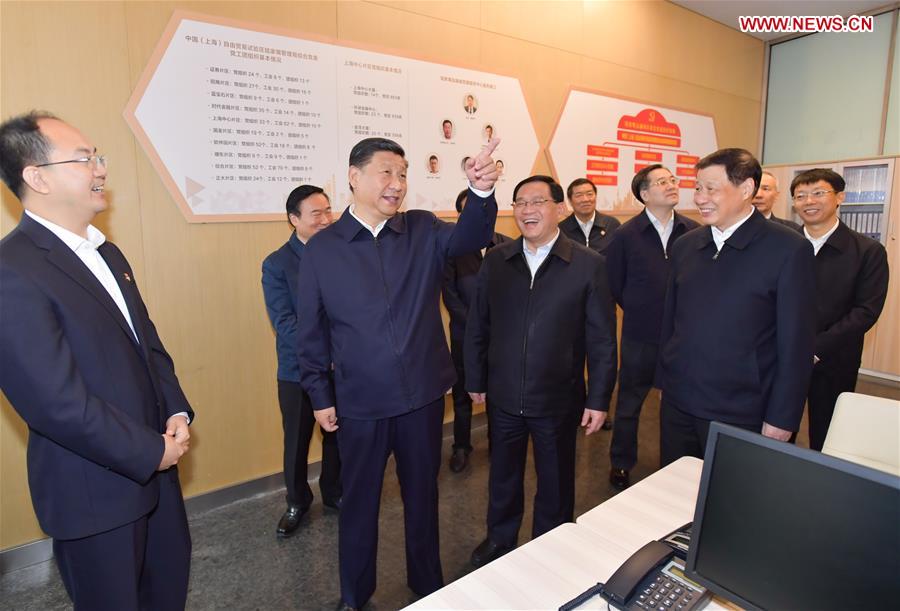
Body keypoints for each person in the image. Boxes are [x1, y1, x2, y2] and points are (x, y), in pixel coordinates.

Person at [0, 111, 193, 610]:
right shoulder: (12, 271)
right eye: (85, 159)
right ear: (36, 177)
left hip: (159, 477)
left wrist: (175, 411)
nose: (101, 169)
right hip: (94, 495)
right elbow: (55, 404)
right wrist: (151, 452)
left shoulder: (109, 253)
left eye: (98, 157)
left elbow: (146, 344)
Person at [296, 137, 499, 610]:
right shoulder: (323, 248)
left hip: (423, 398)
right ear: (354, 177)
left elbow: (471, 237)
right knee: (359, 504)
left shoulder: (422, 230)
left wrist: (481, 192)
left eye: (403, 174)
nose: (397, 184)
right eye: (386, 172)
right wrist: (319, 394)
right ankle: (354, 594)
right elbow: (311, 330)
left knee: (422, 497)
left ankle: (427, 581)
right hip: (360, 402)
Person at [465, 175, 617, 568]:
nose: (527, 211)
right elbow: (477, 323)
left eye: (538, 202)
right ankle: (500, 538)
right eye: (520, 203)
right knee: (502, 475)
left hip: (558, 396)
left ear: (559, 208)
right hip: (503, 392)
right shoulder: (497, 260)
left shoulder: (587, 265)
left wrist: (599, 398)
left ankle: (550, 544)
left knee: (556, 479)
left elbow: (602, 339)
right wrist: (475, 378)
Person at [657, 148, 815, 466]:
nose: (700, 198)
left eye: (711, 188)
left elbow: (796, 342)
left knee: (733, 506)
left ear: (745, 189)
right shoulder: (686, 245)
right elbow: (670, 322)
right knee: (673, 500)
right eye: (697, 187)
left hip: (743, 411)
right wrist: (666, 381)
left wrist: (783, 417)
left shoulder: (788, 249)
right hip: (680, 403)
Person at [605, 165, 698, 490]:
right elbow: (614, 284)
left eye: (673, 180)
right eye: (662, 182)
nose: (672, 185)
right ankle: (621, 462)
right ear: (644, 194)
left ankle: (674, 465)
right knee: (629, 404)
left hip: (682, 336)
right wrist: (639, 307)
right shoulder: (625, 235)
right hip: (640, 337)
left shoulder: (693, 230)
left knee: (677, 406)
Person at [261, 185, 342, 538]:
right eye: (317, 214)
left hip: (341, 367)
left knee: (337, 437)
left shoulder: (341, 253)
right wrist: (327, 354)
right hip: (298, 371)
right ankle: (297, 501)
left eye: (328, 211)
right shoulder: (277, 263)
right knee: (296, 440)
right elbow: (285, 323)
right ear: (294, 220)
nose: (326, 219)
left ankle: (335, 492)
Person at [790, 168, 889, 451]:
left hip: (835, 358)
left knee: (828, 434)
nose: (809, 201)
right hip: (783, 355)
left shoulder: (867, 250)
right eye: (801, 196)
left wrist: (816, 348)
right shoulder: (783, 244)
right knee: (779, 427)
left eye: (819, 193)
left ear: (840, 197)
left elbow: (866, 311)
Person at [442, 189, 511, 473]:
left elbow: (514, 295)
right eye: (467, 213)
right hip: (463, 337)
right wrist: (475, 328)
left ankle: (500, 443)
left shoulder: (508, 247)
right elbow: (449, 295)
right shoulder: (452, 250)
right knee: (462, 395)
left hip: (501, 338)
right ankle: (461, 446)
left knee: (498, 392)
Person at [558, 177, 621, 256]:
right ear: (570, 201)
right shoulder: (562, 229)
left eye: (589, 194)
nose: (585, 199)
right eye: (579, 195)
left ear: (595, 196)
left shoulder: (612, 225)